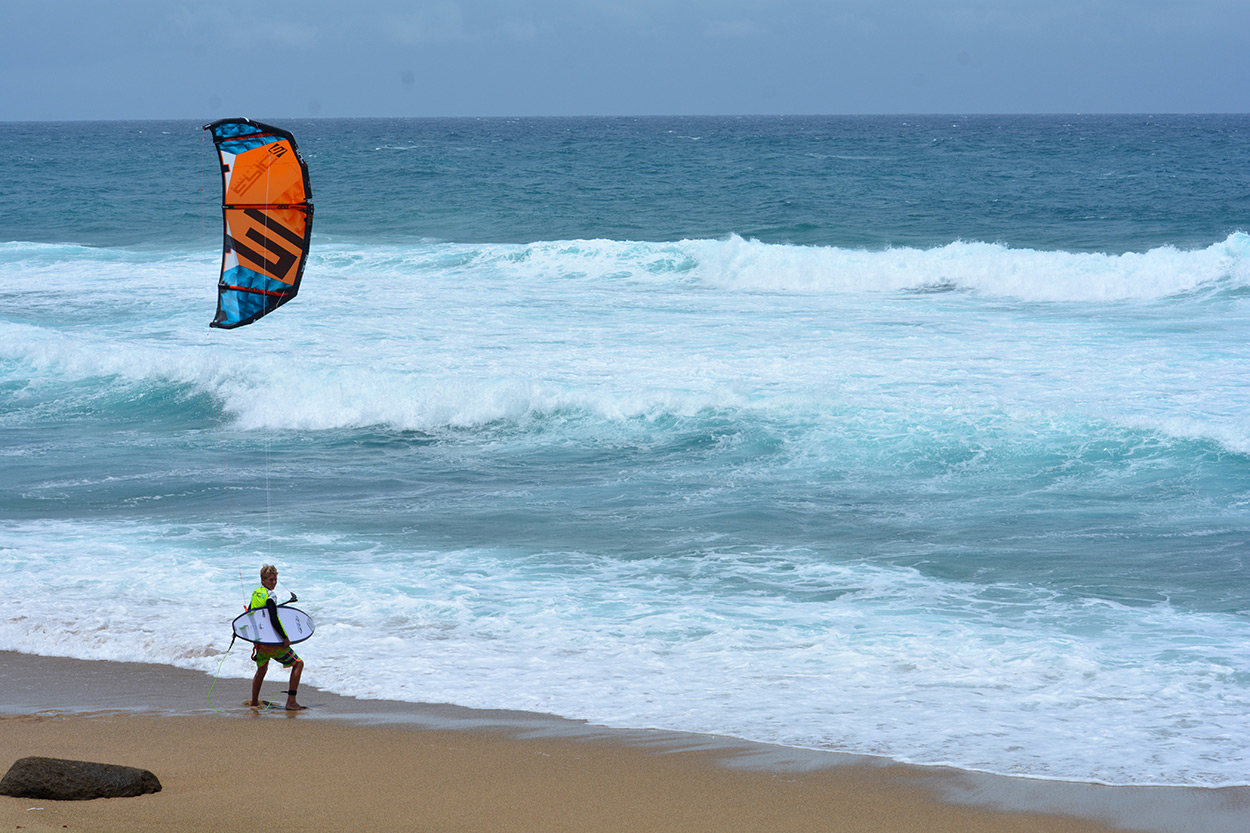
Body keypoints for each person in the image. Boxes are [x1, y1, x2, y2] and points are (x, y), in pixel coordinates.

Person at [247, 564, 305, 711]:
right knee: (298, 664)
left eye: (275, 579)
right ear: (263, 580)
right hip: (271, 643)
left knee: (262, 669)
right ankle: (291, 702)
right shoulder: (271, 595)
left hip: (260, 641)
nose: (274, 583)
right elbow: (273, 618)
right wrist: (284, 637)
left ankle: (254, 702)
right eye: (271, 580)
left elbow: (250, 614)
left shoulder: (256, 593)